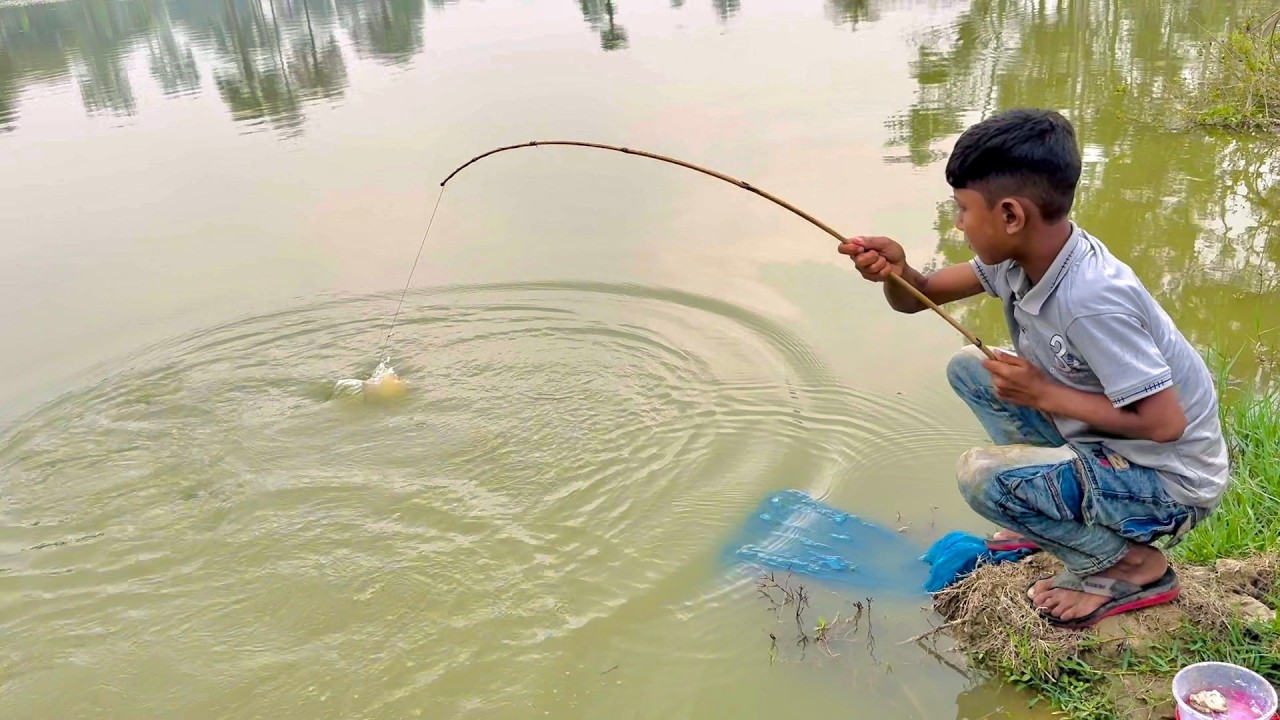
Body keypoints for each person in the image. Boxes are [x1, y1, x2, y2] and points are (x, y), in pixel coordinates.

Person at [838, 108, 1229, 629]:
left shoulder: (1092, 300)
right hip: (1112, 447)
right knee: (971, 368)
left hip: (1168, 485)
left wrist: (1044, 393)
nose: (958, 223)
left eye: (962, 209)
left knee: (981, 477)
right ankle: (1044, 517)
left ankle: (1131, 566)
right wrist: (897, 271)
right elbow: (920, 296)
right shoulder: (1023, 257)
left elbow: (1165, 424)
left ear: (1010, 216)